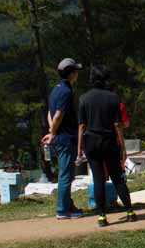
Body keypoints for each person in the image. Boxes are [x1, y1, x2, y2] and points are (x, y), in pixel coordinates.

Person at [77, 65, 136, 227]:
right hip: (109, 142)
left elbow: (81, 125)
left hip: (91, 142)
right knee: (118, 178)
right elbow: (118, 125)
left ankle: (102, 216)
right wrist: (123, 148)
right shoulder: (113, 98)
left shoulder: (83, 98)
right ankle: (130, 211)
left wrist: (79, 148)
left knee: (98, 179)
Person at [43, 58, 84, 220]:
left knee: (65, 173)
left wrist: (50, 130)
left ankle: (69, 206)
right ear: (71, 73)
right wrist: (53, 132)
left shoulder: (55, 89)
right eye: (76, 71)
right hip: (66, 138)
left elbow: (50, 113)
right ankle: (62, 209)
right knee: (66, 175)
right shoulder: (67, 92)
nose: (77, 74)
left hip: (59, 137)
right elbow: (58, 115)